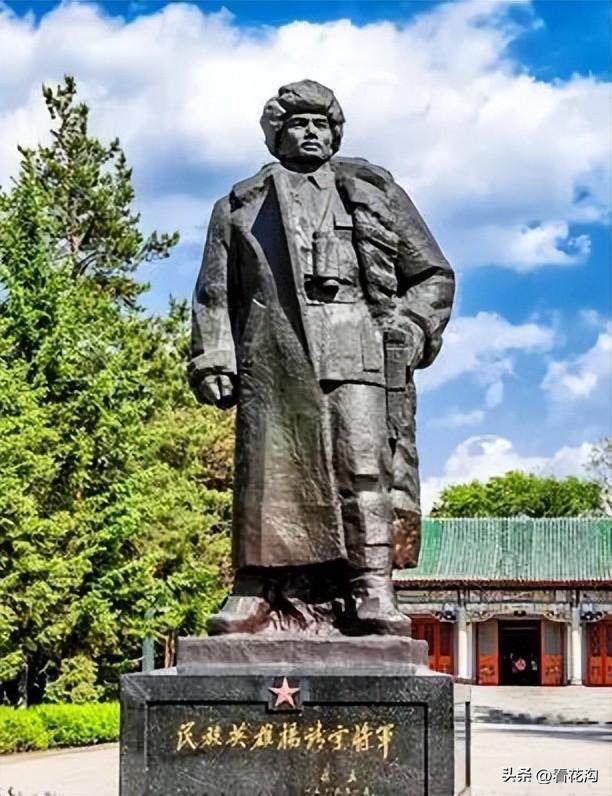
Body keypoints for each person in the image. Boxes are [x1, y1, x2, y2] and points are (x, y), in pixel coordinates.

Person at [189, 80, 454, 635]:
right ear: (275, 134)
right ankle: (256, 589)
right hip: (274, 358)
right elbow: (215, 293)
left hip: (359, 351)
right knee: (266, 479)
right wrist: (214, 356)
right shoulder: (240, 206)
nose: (311, 133)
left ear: (335, 134)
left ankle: (372, 586)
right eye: (298, 124)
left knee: (364, 470)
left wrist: (409, 326)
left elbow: (432, 274)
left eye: (321, 124)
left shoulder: (374, 192)